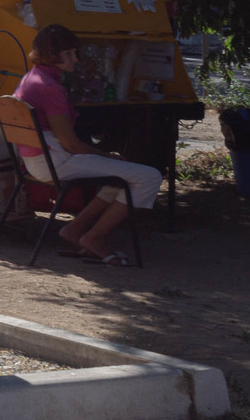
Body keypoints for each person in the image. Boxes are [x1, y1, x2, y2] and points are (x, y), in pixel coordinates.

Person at [12, 24, 164, 266]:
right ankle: (94, 238)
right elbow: (71, 144)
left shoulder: (32, 77)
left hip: (37, 160)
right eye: (70, 54)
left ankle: (74, 230)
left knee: (123, 177)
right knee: (149, 177)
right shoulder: (50, 88)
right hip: (54, 162)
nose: (77, 59)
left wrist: (107, 158)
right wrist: (108, 156)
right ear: (54, 56)